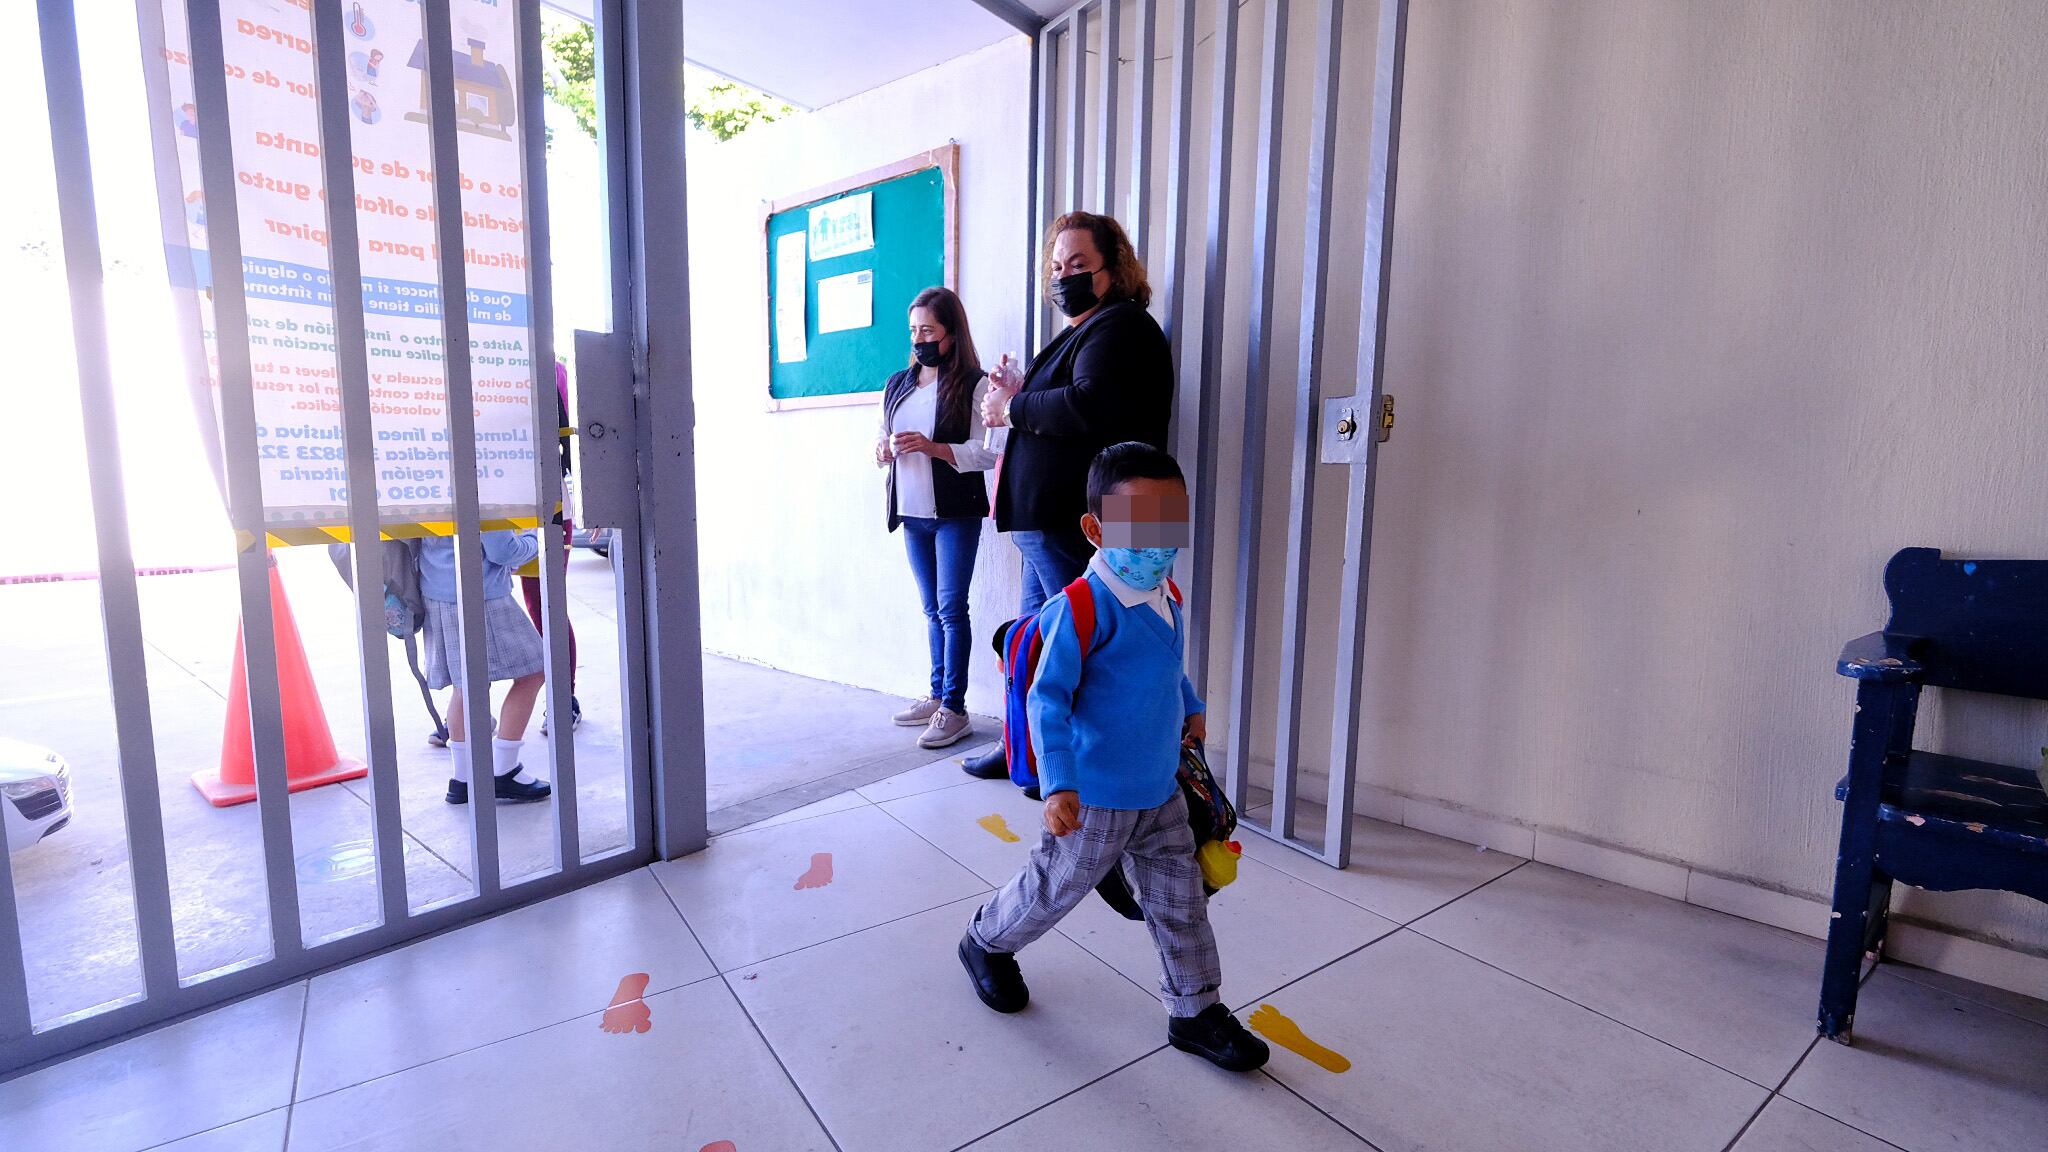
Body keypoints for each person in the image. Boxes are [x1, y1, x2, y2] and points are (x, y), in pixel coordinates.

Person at [955, 442, 1267, 1073]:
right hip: (1095, 795)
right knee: (1055, 887)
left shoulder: (1165, 593)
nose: (1158, 540)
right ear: (1097, 529)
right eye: (1140, 523)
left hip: (1160, 787)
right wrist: (1059, 785)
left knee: (1181, 901)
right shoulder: (1079, 608)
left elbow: (1165, 667)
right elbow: (1048, 699)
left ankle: (1195, 1009)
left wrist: (1191, 704)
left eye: (1169, 520)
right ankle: (986, 940)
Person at [959, 210, 1175, 784]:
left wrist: (1013, 406)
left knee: (1084, 649)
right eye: (1056, 266)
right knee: (1040, 646)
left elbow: (1090, 404)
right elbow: (1072, 399)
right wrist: (1021, 391)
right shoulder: (1088, 330)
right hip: (1058, 521)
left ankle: (1082, 770)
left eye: (1078, 263)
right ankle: (1027, 751)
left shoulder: (1122, 326)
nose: (1064, 276)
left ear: (1115, 269)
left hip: (1084, 521)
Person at [875, 287, 997, 749]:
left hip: (955, 514)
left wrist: (934, 448)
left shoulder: (974, 384)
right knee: (932, 609)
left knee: (951, 609)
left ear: (951, 333)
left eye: (928, 330)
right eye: (914, 330)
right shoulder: (898, 385)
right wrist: (883, 450)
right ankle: (936, 693)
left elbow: (986, 454)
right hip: (912, 513)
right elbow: (880, 438)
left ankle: (955, 708)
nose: (919, 339)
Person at [417, 530, 553, 804]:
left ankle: (464, 778)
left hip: (437, 587)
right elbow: (503, 551)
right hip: (481, 592)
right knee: (534, 672)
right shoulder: (483, 497)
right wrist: (533, 539)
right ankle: (504, 770)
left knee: (466, 685)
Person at [520, 360, 580, 734]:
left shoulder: (550, 369)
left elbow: (570, 439)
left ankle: (563, 698)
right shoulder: (472, 364)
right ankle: (466, 715)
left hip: (546, 509)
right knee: (471, 606)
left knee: (546, 607)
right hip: (489, 508)